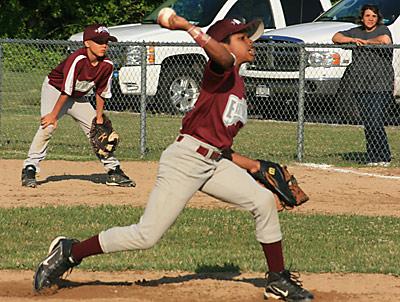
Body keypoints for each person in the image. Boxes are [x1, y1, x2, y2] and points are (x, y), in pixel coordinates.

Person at [32, 15, 314, 302]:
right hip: (185, 161)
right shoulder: (220, 72)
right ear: (223, 45)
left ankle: (278, 281)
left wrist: (253, 166)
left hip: (213, 162)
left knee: (263, 201)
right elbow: (222, 59)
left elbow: (219, 144)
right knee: (146, 235)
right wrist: (188, 28)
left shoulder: (238, 85)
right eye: (242, 38)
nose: (251, 42)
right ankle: (70, 252)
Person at [21, 24, 135, 188]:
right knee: (48, 126)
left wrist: (99, 116)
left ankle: (114, 170)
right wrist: (53, 115)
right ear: (87, 43)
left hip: (77, 97)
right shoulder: (78, 59)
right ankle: (29, 168)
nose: (104, 45)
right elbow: (66, 89)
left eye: (106, 42)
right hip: (55, 90)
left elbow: (102, 92)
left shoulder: (107, 64)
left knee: (97, 131)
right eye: (99, 42)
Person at [332, 4, 394, 167]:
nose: (370, 19)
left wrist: (366, 42)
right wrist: (353, 40)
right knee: (368, 121)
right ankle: (373, 155)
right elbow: (336, 37)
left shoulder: (383, 29)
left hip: (380, 84)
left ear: (377, 18)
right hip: (360, 84)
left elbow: (384, 40)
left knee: (375, 119)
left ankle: (383, 155)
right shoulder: (356, 31)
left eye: (373, 16)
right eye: (367, 16)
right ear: (362, 17)